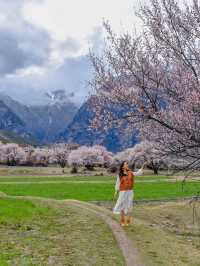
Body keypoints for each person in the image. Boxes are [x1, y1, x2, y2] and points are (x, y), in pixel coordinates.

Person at [113, 161, 145, 226]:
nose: (127, 165)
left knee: (129, 204)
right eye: (125, 164)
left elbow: (138, 173)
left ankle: (128, 220)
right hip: (122, 192)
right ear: (122, 166)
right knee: (121, 204)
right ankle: (122, 220)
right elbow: (118, 183)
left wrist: (142, 166)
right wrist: (116, 191)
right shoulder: (120, 174)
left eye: (127, 164)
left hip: (130, 191)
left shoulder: (131, 172)